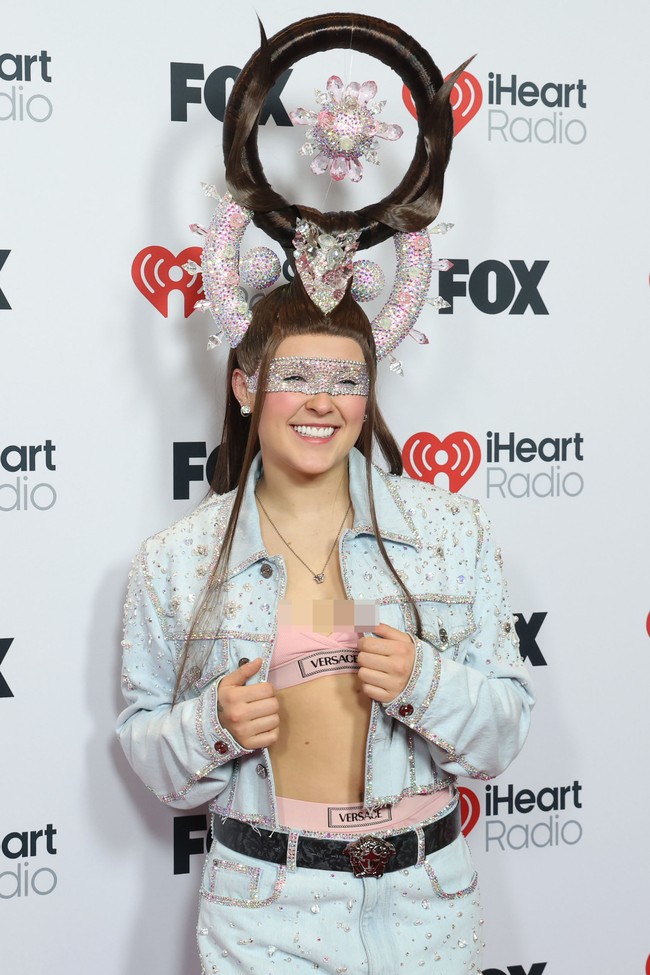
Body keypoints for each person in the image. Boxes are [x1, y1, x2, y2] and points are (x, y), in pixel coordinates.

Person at [117, 14, 534, 974]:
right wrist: (212, 723)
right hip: (263, 914)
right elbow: (146, 749)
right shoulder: (175, 561)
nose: (323, 404)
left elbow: (506, 729)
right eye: (298, 377)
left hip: (429, 907)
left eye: (347, 382)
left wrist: (425, 681)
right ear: (246, 384)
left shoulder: (452, 529)